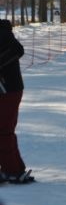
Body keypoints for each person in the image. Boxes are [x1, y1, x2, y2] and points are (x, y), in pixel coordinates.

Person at [0, 19, 34, 184]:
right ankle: (13, 168)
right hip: (7, 89)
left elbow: (17, 50)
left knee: (4, 131)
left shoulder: (2, 32)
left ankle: (12, 170)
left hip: (9, 89)